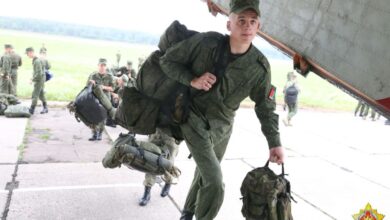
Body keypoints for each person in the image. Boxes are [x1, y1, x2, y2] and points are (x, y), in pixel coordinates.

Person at [159, 0, 284, 219]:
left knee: (203, 175)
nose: (247, 26)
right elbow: (167, 61)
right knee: (215, 181)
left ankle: (187, 214)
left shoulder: (259, 67)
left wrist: (274, 143)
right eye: (241, 20)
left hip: (223, 125)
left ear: (258, 27)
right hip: (192, 115)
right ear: (229, 24)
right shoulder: (206, 43)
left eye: (252, 22)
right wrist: (192, 80)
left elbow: (265, 106)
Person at [138, 128, 180, 206]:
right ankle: (147, 190)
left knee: (169, 163)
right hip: (156, 131)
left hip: (172, 134)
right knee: (150, 162)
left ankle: (168, 182)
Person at [87, 58, 114, 141]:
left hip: (105, 99)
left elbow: (113, 88)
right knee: (94, 116)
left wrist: (104, 87)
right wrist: (91, 84)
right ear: (98, 66)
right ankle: (94, 133)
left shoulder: (109, 76)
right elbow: (87, 86)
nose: (102, 67)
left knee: (103, 117)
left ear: (106, 67)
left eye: (104, 65)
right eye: (101, 65)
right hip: (95, 98)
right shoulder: (93, 75)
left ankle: (100, 133)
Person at [25, 47, 48, 114]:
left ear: (30, 52)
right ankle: (45, 108)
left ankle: (32, 109)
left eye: (27, 54)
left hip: (39, 79)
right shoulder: (37, 59)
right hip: (41, 78)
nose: (27, 55)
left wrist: (32, 79)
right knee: (41, 94)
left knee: (35, 94)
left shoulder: (37, 61)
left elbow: (39, 73)